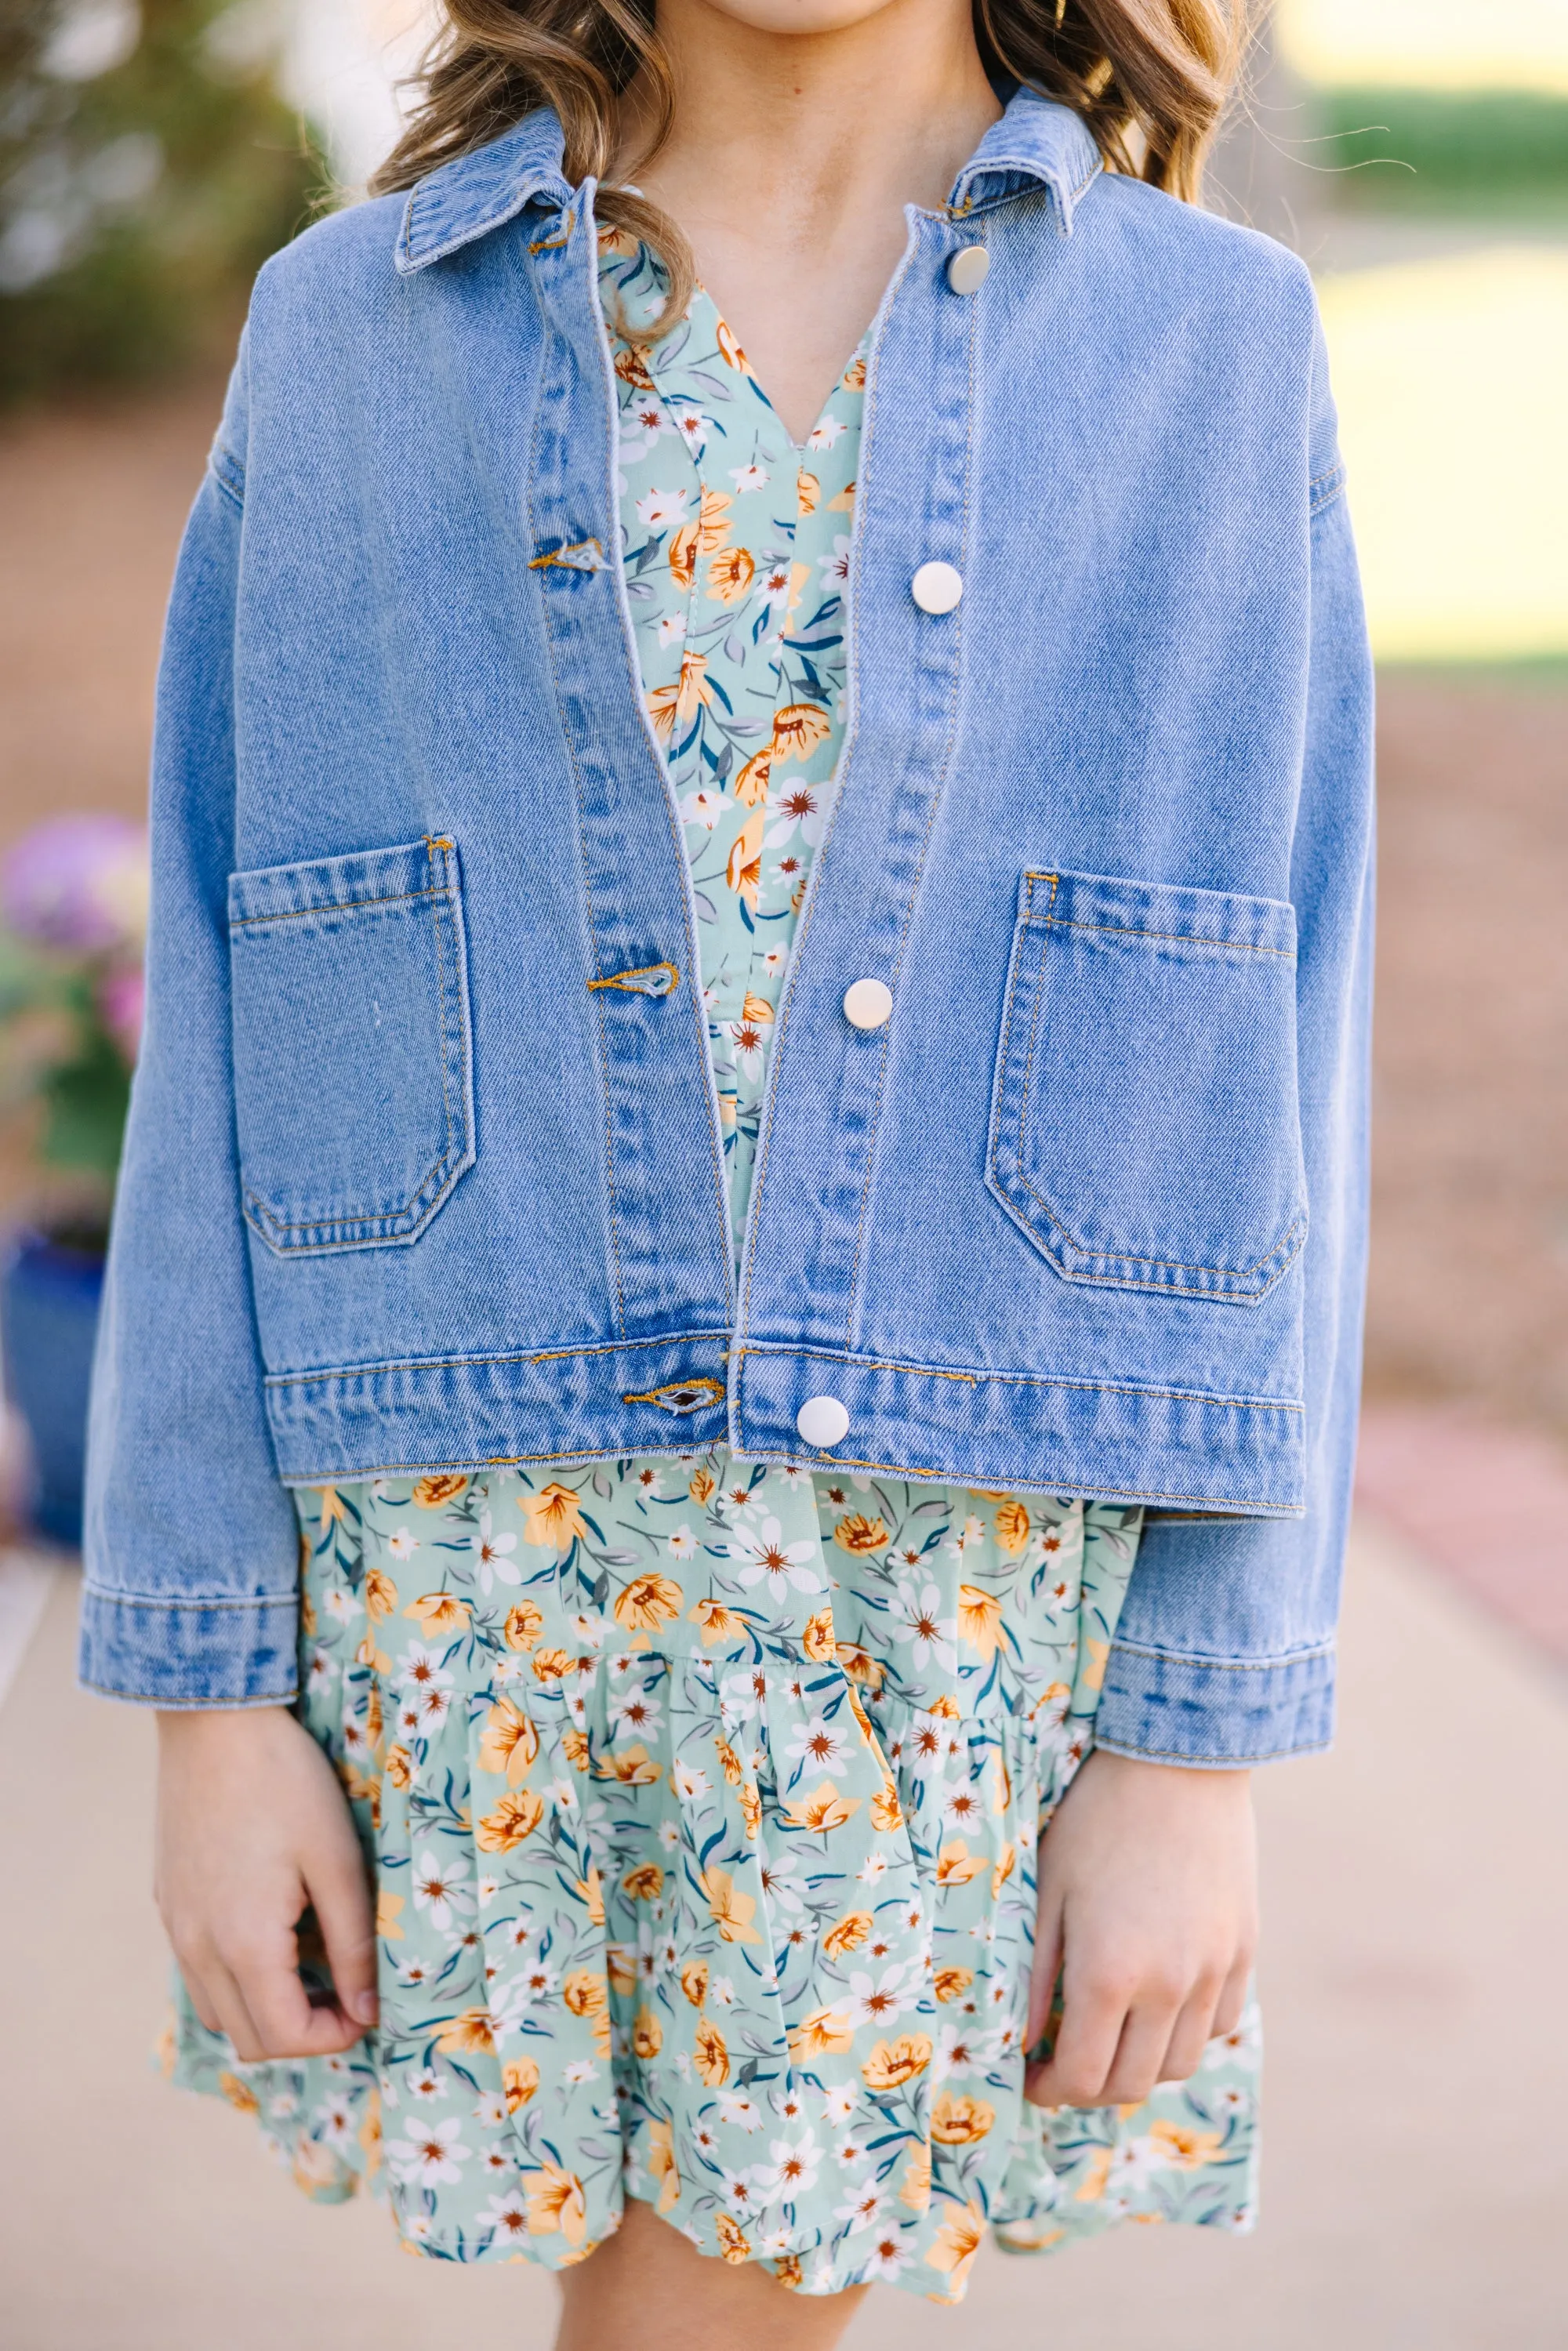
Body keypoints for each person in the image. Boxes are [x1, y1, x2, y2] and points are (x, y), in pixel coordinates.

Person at [81, 2, 1372, 2343]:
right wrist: (211, 1684)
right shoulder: (353, 341)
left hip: (945, 1584)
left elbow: (1272, 1054)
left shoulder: (1211, 357)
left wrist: (1197, 1725)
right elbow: (233, 989)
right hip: (490, 1593)